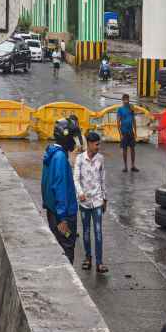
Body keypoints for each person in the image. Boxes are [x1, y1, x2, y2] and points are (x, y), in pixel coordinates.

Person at [41, 117, 82, 263]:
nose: (74, 141)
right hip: (63, 216)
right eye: (72, 137)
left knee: (61, 249)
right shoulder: (60, 159)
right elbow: (60, 189)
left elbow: (46, 186)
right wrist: (62, 218)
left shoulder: (52, 154)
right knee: (67, 250)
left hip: (55, 212)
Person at [73, 130, 108, 274]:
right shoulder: (80, 159)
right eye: (96, 144)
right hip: (84, 202)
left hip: (98, 201)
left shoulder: (100, 159)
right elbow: (75, 178)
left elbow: (103, 179)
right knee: (86, 231)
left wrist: (105, 198)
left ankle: (99, 263)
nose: (98, 147)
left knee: (98, 232)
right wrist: (80, 193)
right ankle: (88, 258)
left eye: (99, 144)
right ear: (89, 144)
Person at [116, 93, 138, 172]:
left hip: (130, 131)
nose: (126, 101)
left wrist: (135, 132)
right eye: (124, 99)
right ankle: (125, 166)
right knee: (124, 149)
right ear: (122, 100)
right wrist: (120, 134)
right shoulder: (120, 109)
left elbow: (134, 120)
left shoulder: (131, 108)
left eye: (127, 99)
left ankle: (133, 165)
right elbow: (118, 122)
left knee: (133, 149)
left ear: (129, 100)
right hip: (124, 132)